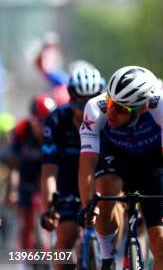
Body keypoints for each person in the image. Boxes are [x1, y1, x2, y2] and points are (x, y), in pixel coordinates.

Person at [78, 66, 163, 270]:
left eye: (121, 109)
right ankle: (107, 257)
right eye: (111, 102)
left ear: (141, 108)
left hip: (154, 166)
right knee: (104, 190)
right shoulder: (95, 108)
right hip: (115, 160)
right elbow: (87, 163)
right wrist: (88, 207)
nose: (111, 112)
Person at [40, 66, 105, 268]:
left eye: (92, 102)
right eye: (80, 103)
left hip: (101, 178)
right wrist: (50, 208)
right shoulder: (56, 120)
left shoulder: (110, 119)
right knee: (66, 237)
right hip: (68, 182)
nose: (87, 109)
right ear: (70, 100)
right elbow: (49, 170)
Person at [4, 94, 57, 250]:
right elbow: (14, 167)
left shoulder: (56, 132)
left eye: (48, 120)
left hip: (49, 176)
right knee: (26, 224)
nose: (44, 126)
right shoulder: (21, 131)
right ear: (32, 118)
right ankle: (24, 263)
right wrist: (12, 191)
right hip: (27, 176)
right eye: (40, 121)